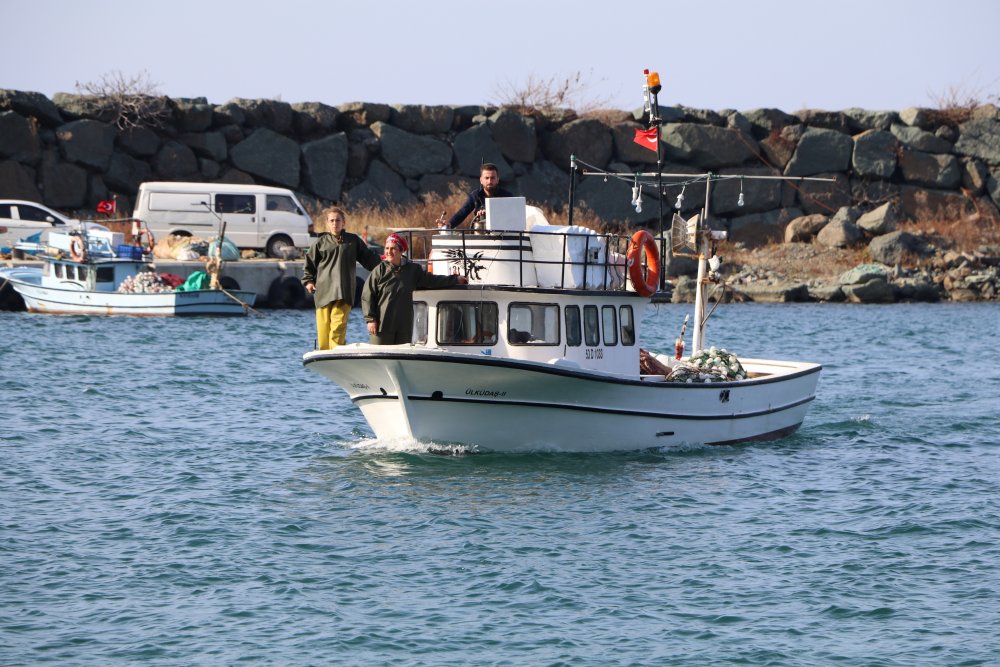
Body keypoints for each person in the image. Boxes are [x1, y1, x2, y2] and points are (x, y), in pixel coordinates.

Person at [363, 233, 468, 344]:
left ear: (401, 250)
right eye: (387, 248)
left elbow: (432, 280)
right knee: (380, 357)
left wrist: (455, 280)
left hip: (404, 327)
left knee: (402, 358)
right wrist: (371, 320)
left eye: (393, 248)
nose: (389, 252)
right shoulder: (379, 270)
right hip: (381, 326)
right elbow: (367, 295)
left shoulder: (413, 270)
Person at [302, 207, 381, 349]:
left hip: (344, 293)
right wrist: (308, 281)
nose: (335, 223)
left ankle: (337, 354)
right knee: (323, 336)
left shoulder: (353, 241)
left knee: (337, 330)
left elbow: (370, 260)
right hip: (323, 293)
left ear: (343, 222)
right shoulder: (321, 242)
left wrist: (386, 264)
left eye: (338, 220)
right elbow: (309, 263)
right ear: (327, 223)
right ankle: (328, 363)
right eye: (331, 220)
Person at [437, 163, 514, 229]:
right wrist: (449, 224)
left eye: (492, 178)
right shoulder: (475, 195)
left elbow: (513, 216)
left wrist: (490, 213)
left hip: (504, 237)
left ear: (497, 179)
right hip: (480, 235)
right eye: (486, 178)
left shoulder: (508, 196)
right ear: (481, 180)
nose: (489, 181)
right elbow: (462, 212)